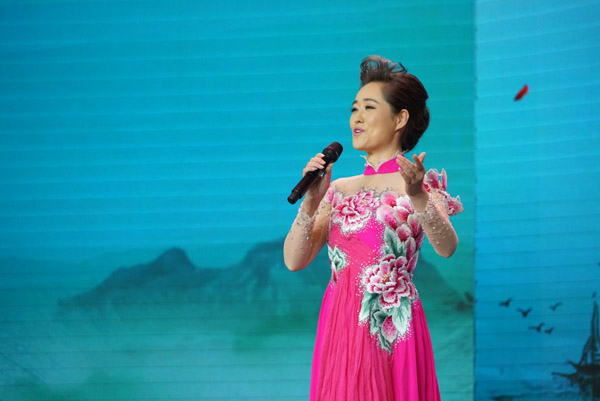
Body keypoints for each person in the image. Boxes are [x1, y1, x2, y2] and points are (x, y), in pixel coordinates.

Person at [283, 55, 463, 401]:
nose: (357, 118)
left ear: (400, 119)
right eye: (354, 109)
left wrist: (417, 195)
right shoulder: (337, 189)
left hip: (390, 323)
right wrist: (310, 202)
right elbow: (294, 260)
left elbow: (447, 247)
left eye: (368, 108)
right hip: (340, 325)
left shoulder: (420, 185)